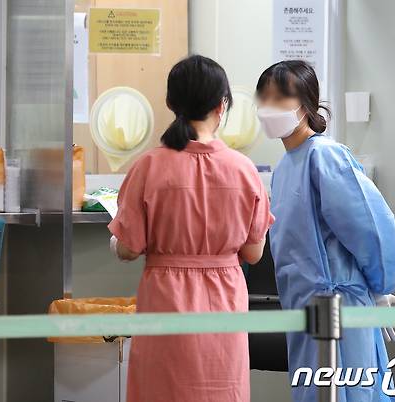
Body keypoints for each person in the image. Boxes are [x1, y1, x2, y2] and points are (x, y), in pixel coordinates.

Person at [108, 55, 274, 402]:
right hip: (225, 297)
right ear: (221, 104)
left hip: (165, 297)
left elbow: (128, 248)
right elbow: (254, 253)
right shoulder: (244, 170)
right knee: (221, 388)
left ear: (171, 104)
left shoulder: (148, 167)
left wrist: (117, 242)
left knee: (163, 388)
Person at [256, 60, 395, 402]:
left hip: (340, 307)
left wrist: (381, 287)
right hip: (304, 309)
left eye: (282, 98)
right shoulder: (283, 170)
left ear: (306, 103)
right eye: (265, 98)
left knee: (348, 392)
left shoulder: (325, 156)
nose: (270, 107)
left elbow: (369, 224)